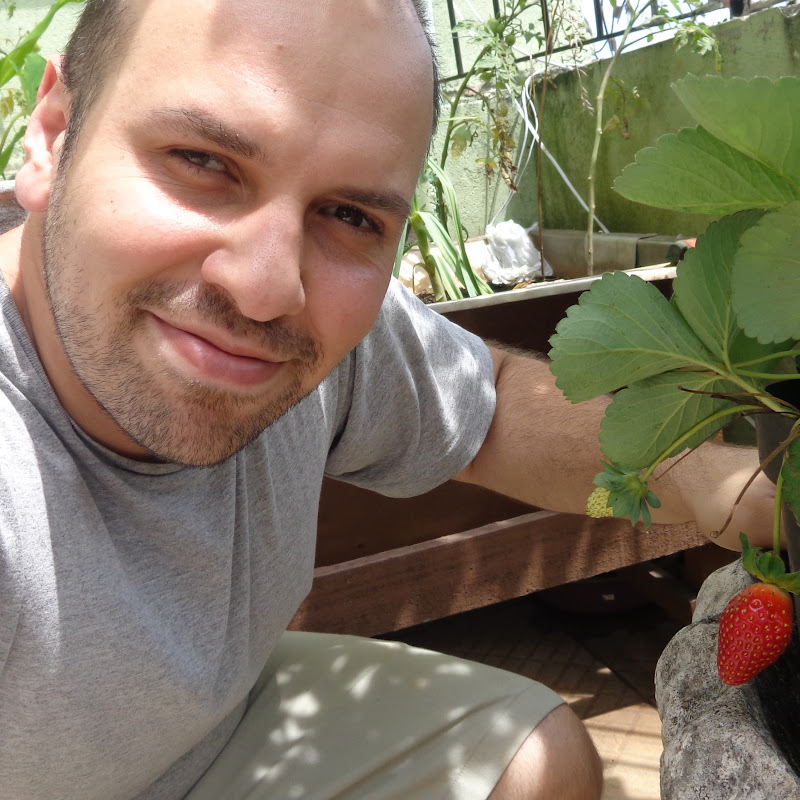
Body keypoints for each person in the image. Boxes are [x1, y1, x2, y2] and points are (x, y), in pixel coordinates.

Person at [0, 1, 773, 798]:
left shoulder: (335, 330)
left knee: (538, 761)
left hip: (206, 728)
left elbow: (492, 406)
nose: (267, 288)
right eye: (202, 160)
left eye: (348, 214)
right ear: (53, 135)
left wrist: (708, 476)